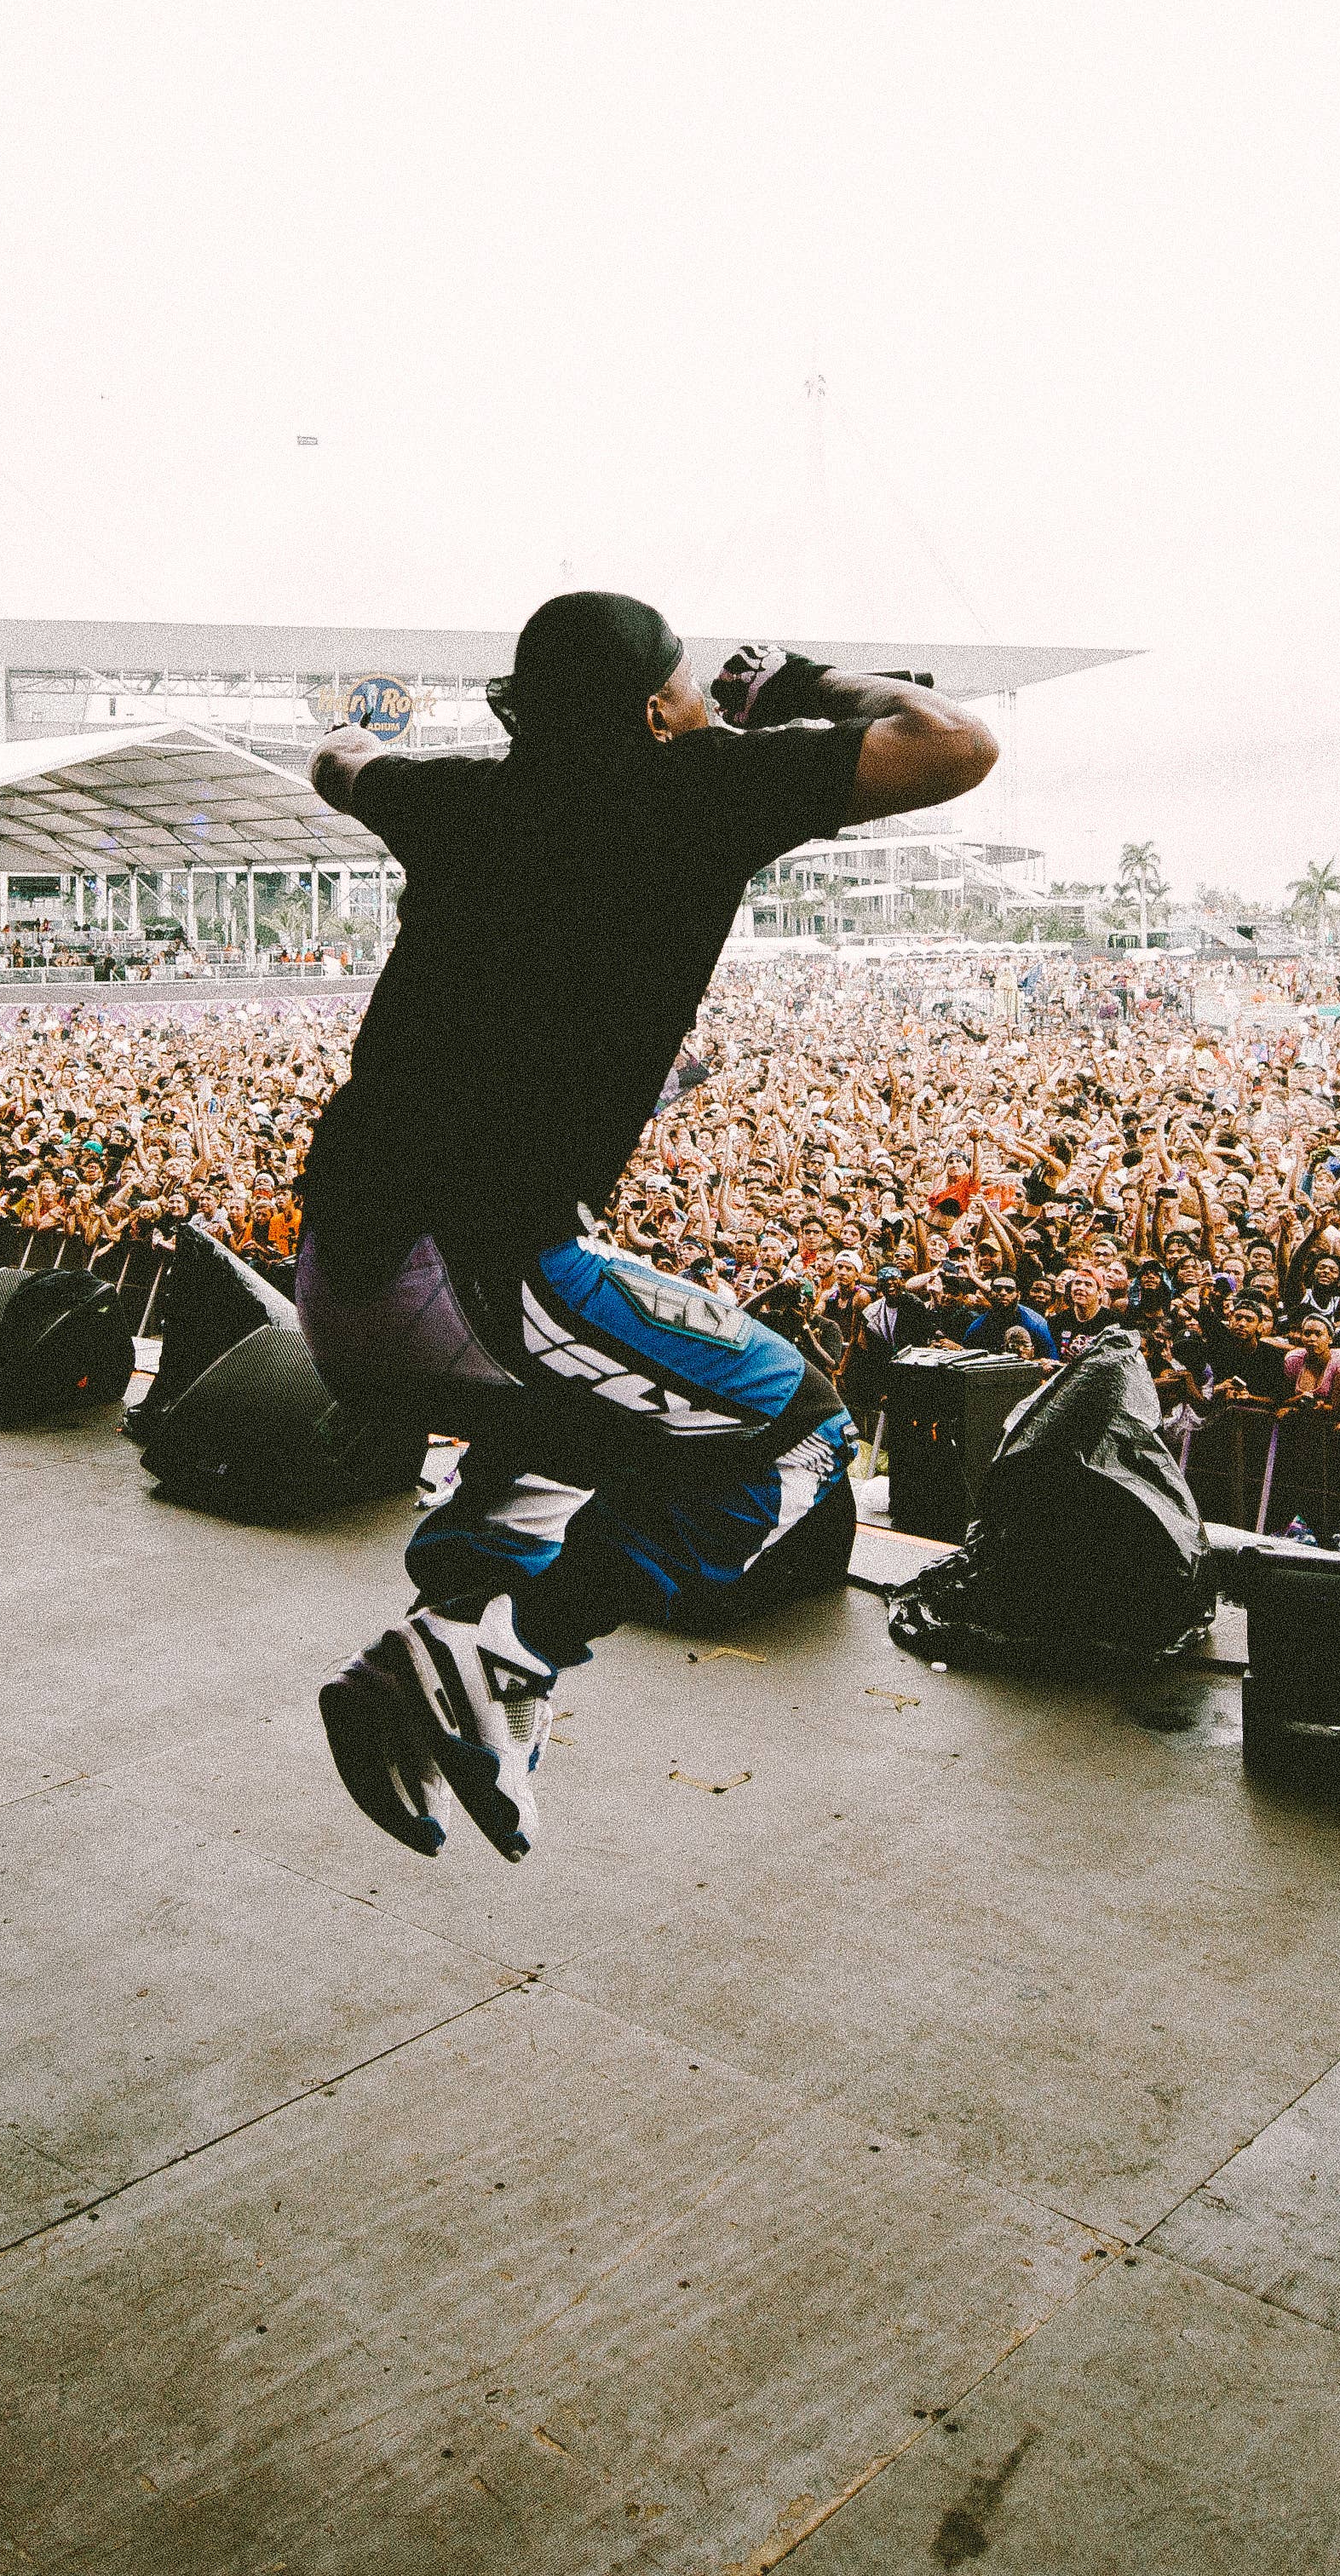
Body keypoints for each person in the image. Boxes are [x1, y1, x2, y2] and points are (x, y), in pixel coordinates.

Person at [300, 591, 996, 1860]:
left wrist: (368, 756)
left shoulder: (453, 801)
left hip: (343, 1284)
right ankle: (508, 1650)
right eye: (685, 687)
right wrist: (793, 685)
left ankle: (457, 1642)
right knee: (796, 1429)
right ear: (653, 715)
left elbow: (340, 763)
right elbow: (954, 743)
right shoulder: (700, 792)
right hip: (478, 1274)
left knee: (604, 1437)